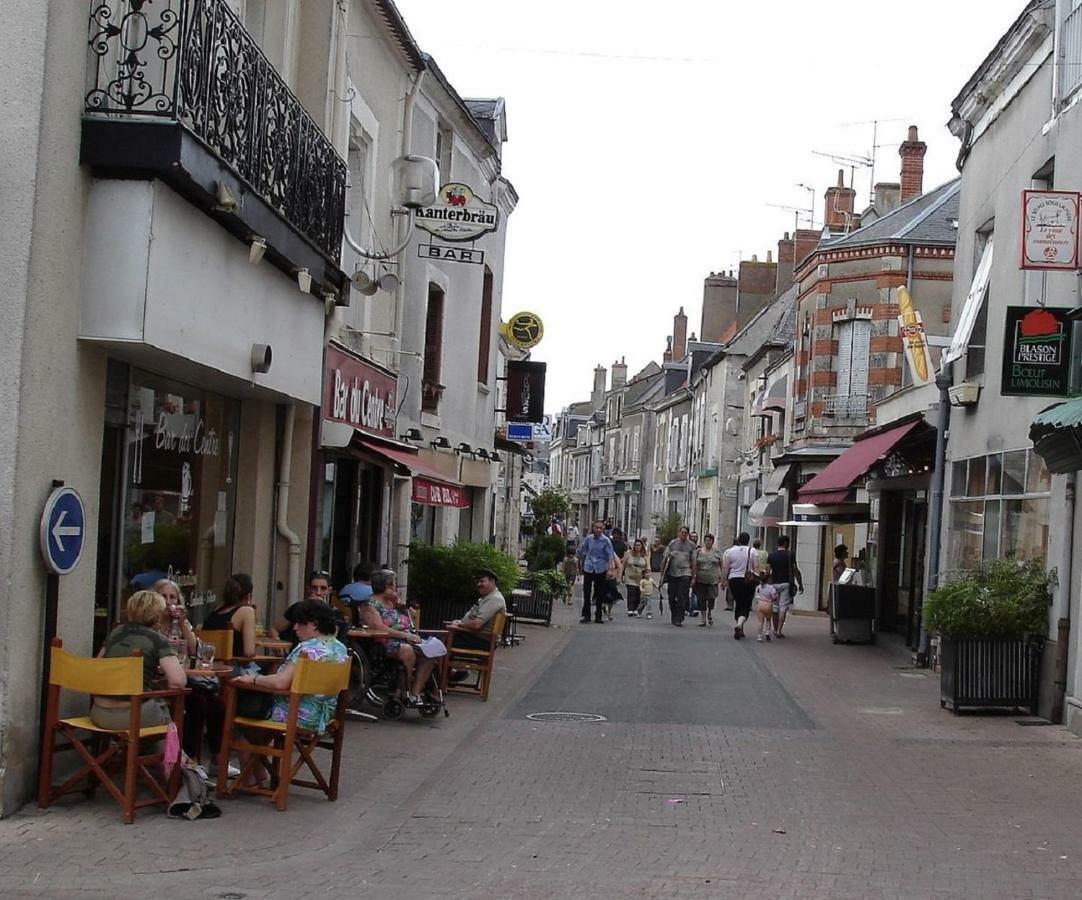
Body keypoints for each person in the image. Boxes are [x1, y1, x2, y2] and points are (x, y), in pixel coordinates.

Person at [230, 600, 349, 783]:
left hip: (295, 714)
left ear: (314, 624)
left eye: (300, 623)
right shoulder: (339, 649)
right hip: (323, 716)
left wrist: (252, 679)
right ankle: (259, 772)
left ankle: (247, 778)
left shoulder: (307, 649)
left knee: (234, 714)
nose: (294, 628)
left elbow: (280, 683)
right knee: (256, 719)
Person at [91, 590, 187, 730]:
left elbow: (98, 666)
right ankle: (172, 752)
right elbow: (178, 682)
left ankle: (124, 750)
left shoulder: (116, 633)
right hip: (132, 717)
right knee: (165, 709)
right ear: (158, 614)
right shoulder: (157, 640)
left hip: (99, 713)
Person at [358, 571, 434, 703]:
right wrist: (405, 635)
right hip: (383, 642)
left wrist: (399, 604)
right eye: (392, 584)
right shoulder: (369, 605)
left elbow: (404, 619)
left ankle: (415, 693)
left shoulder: (392, 603)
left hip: (402, 638)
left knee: (430, 652)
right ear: (383, 586)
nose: (394, 587)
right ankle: (404, 691)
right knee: (407, 650)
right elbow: (379, 627)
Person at [204, 573, 258, 660]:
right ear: (248, 596)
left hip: (210, 664)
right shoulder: (246, 611)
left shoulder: (215, 611)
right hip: (232, 667)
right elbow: (249, 652)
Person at [449, 569, 508, 648]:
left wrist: (461, 624)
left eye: (482, 581)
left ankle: (442, 659)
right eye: (477, 582)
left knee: (439, 640)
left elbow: (477, 624)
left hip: (481, 641)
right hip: (474, 637)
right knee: (437, 640)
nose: (479, 584)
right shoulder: (486, 598)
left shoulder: (495, 599)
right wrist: (460, 622)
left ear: (492, 582)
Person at [576, 520, 616, 624]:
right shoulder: (589, 539)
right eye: (596, 527)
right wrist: (578, 562)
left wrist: (610, 569)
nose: (598, 530)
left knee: (599, 592)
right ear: (593, 528)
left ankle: (598, 616)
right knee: (587, 591)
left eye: (600, 528)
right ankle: (586, 615)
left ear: (603, 529)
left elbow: (610, 556)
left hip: (600, 568)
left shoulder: (606, 540)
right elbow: (582, 551)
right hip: (589, 567)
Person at [721, 532, 758, 640]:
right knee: (746, 604)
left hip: (734, 580)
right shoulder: (752, 551)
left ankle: (739, 625)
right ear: (748, 540)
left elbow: (725, 567)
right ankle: (740, 624)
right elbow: (756, 567)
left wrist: (723, 581)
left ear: (738, 540)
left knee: (738, 602)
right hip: (748, 580)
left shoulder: (729, 551)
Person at [768, 535, 803, 638]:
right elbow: (795, 569)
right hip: (786, 583)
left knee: (775, 607)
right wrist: (800, 583)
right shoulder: (790, 555)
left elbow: (768, 571)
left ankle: (774, 629)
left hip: (774, 583)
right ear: (785, 543)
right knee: (783, 607)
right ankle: (779, 630)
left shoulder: (771, 555)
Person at [661, 527, 695, 627]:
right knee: (671, 595)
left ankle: (679, 618)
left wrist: (693, 576)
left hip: (685, 573)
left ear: (688, 534)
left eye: (685, 533)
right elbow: (665, 558)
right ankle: (674, 613)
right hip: (672, 573)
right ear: (678, 533)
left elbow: (693, 562)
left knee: (682, 595)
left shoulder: (691, 545)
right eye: (682, 532)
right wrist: (662, 574)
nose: (684, 534)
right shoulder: (672, 543)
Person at [691, 534, 724, 627]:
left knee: (711, 598)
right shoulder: (699, 551)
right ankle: (703, 618)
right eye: (706, 540)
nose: (707, 542)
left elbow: (722, 564)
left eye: (709, 540)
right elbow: (694, 564)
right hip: (701, 578)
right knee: (701, 599)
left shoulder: (717, 552)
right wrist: (694, 576)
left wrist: (723, 577)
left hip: (713, 579)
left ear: (712, 542)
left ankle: (709, 613)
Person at [621, 538, 651, 617]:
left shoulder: (645, 555)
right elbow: (623, 565)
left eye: (639, 545)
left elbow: (648, 566)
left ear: (642, 546)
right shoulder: (628, 553)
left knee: (638, 593)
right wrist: (620, 575)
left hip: (640, 577)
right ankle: (630, 609)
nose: (637, 547)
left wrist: (648, 574)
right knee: (631, 592)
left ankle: (635, 608)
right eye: (636, 545)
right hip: (630, 575)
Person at [753, 571, 778, 643]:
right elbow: (774, 597)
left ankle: (759, 636)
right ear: (768, 579)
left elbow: (757, 596)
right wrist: (775, 597)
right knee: (768, 620)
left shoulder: (759, 587)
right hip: (768, 604)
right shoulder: (771, 588)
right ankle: (767, 632)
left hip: (760, 604)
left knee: (760, 621)